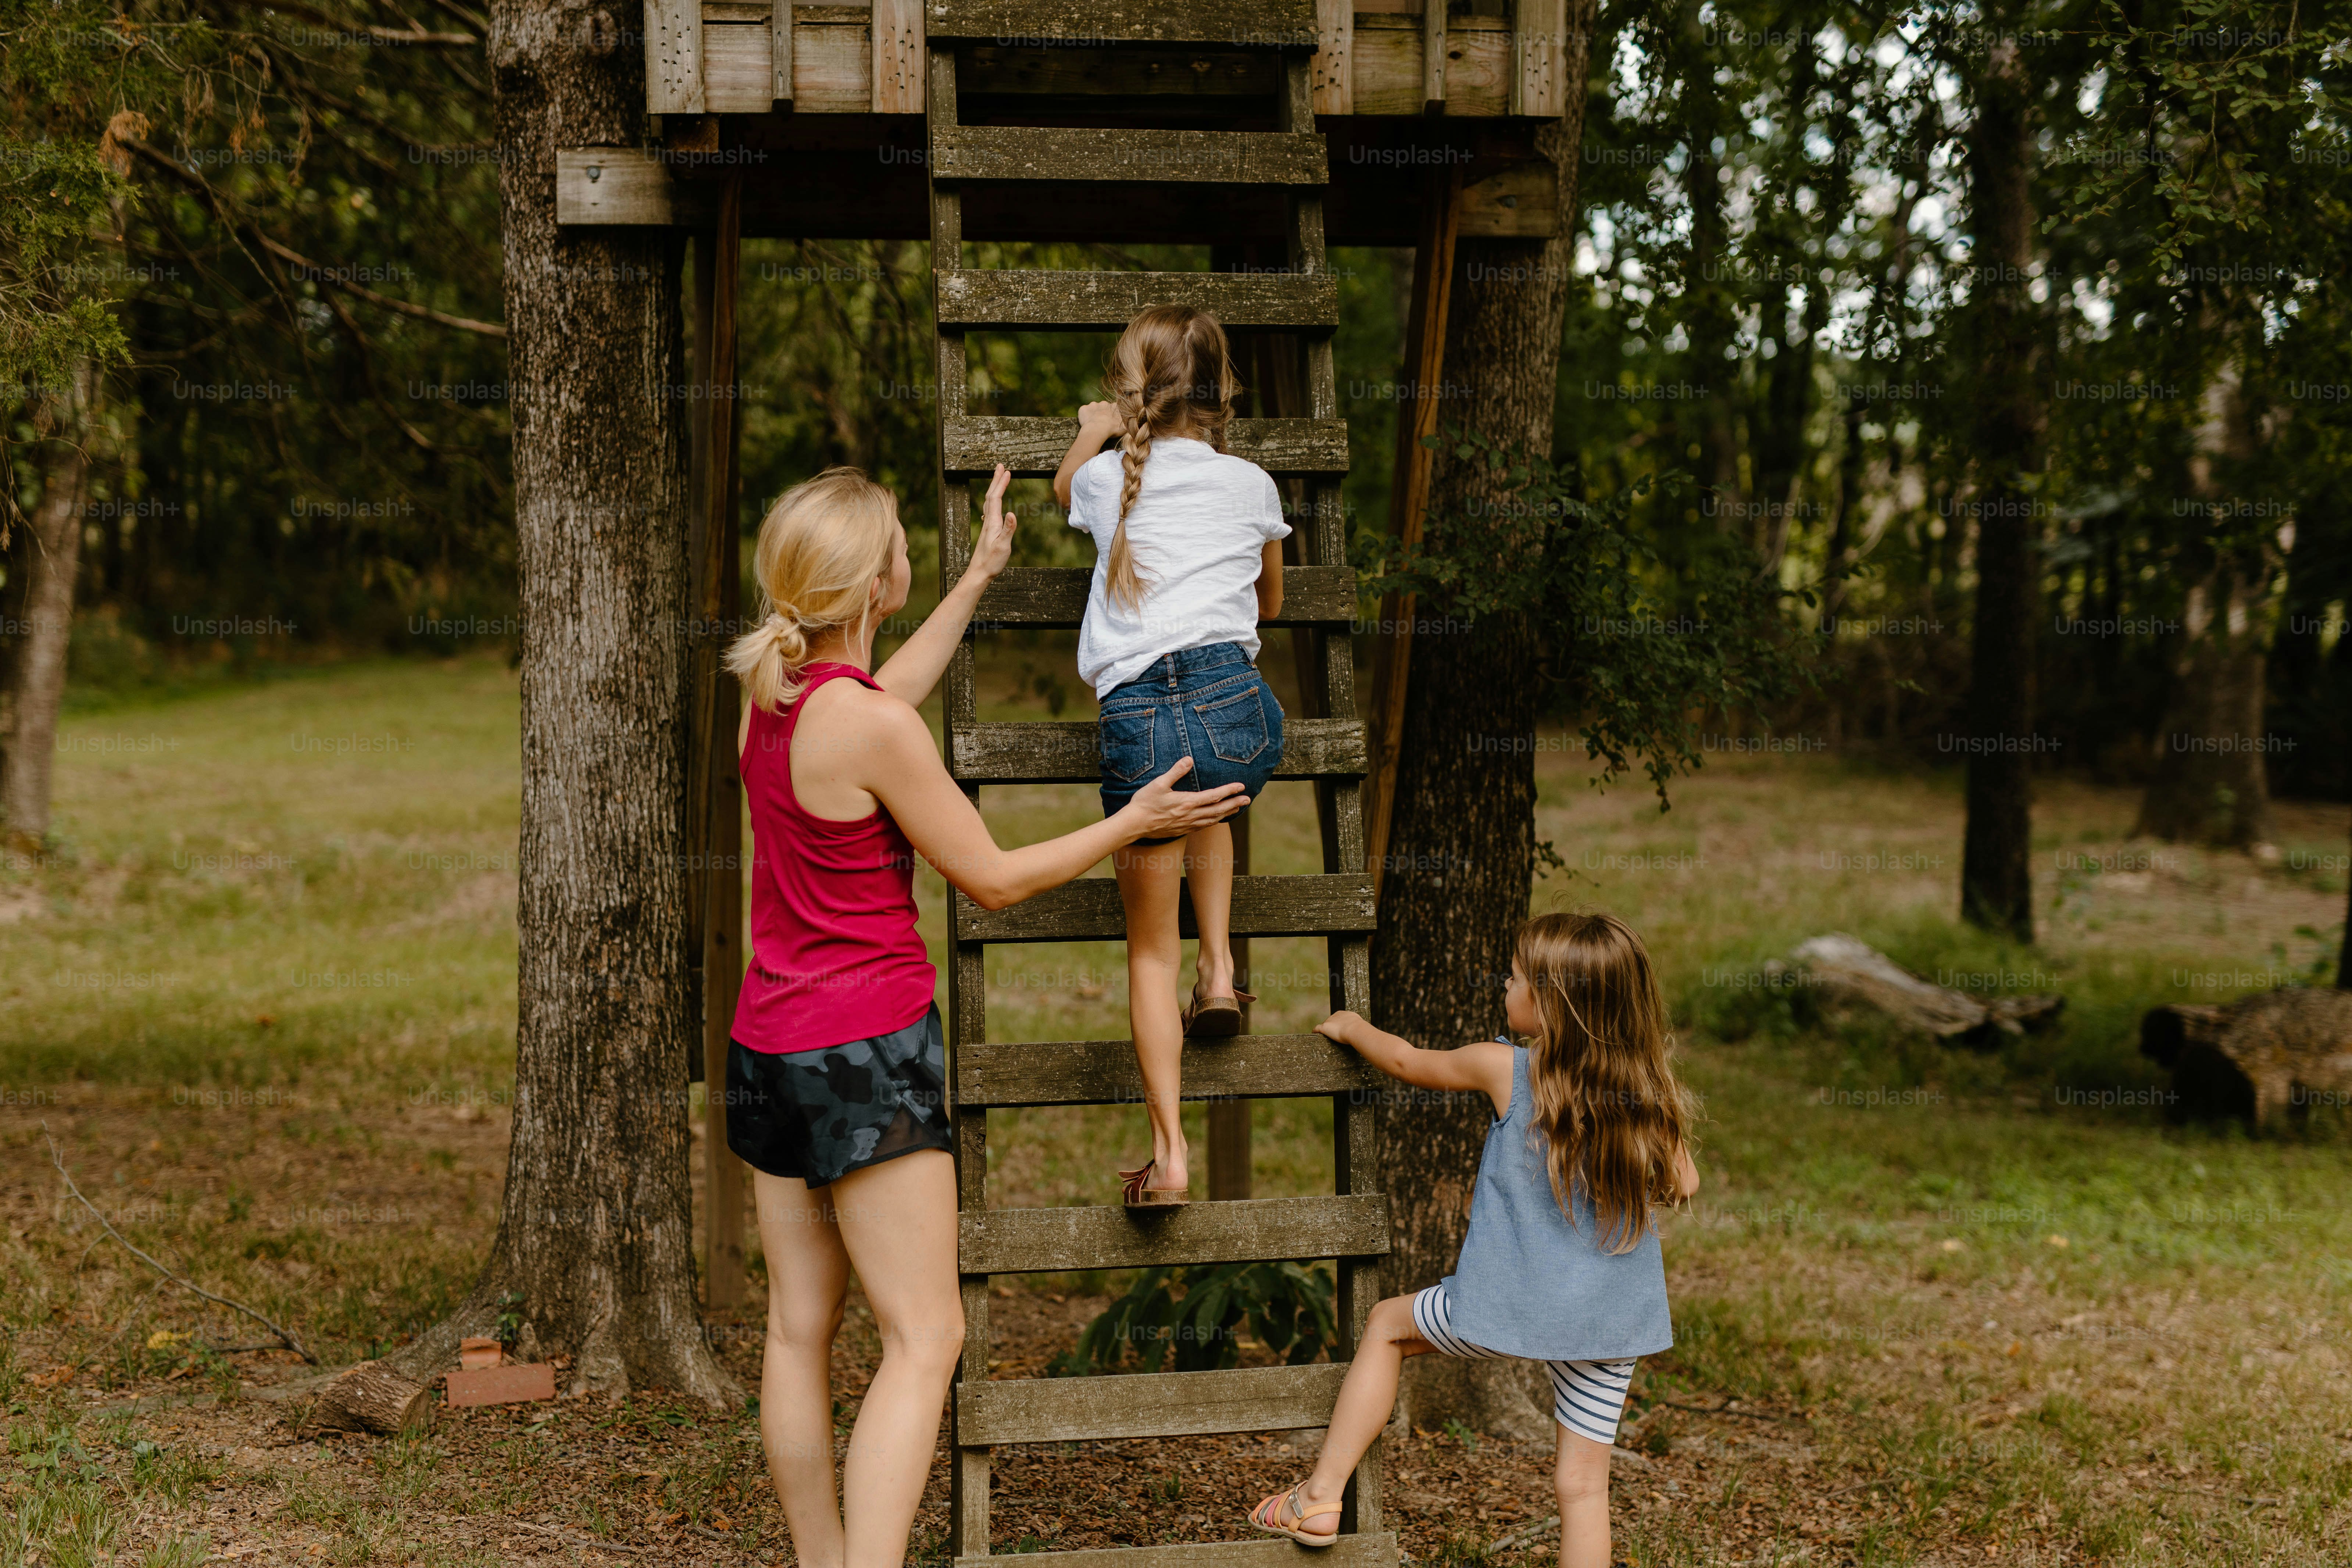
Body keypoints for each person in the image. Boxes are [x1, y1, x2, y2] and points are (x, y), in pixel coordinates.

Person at [720, 464, 1248, 1568]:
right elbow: (995, 879)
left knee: (794, 1330)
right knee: (927, 1337)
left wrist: (972, 582)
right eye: (906, 546)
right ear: (875, 584)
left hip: (767, 1046)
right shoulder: (869, 728)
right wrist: (1134, 820)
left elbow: (878, 698)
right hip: (863, 1055)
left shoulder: (772, 695)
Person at [1247, 912, 1701, 1566]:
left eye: (1514, 977)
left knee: (1385, 1327)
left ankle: (1319, 1495)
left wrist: (1351, 1027)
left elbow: (1407, 1061)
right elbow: (1683, 1184)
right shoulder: (1645, 1094)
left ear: (1550, 1002)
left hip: (1504, 1309)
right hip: (1610, 1323)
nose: (1504, 985)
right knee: (1582, 1488)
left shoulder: (1508, 1070)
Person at [1051, 304, 1290, 1206]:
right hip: (1241, 711)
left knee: (1149, 952)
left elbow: (1060, 489)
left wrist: (1090, 432)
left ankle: (1171, 1156)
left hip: (1142, 715)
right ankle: (1220, 968)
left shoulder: (1108, 477)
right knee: (1209, 790)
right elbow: (1267, 607)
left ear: (1132, 393)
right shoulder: (1251, 483)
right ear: (1221, 390)